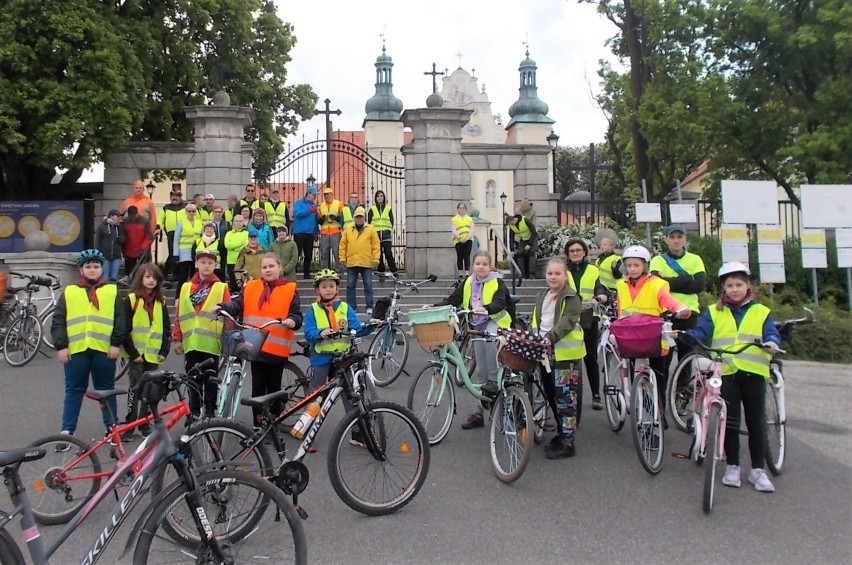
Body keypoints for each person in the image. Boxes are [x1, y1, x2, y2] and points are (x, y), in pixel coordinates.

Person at [686, 262, 781, 492]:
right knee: (730, 421)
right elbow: (701, 332)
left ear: (748, 286)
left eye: (739, 284)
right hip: (726, 371)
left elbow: (771, 333)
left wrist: (772, 343)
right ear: (724, 288)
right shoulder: (714, 311)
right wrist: (688, 335)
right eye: (730, 285)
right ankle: (733, 466)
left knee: (756, 421)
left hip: (754, 372)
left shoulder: (761, 311)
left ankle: (758, 470)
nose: (734, 289)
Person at [51, 249, 128, 438]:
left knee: (106, 389)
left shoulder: (112, 291)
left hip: (103, 350)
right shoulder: (70, 291)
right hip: (76, 350)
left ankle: (111, 428)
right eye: (88, 266)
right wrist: (61, 346)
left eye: (96, 266)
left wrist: (115, 343)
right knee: (74, 390)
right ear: (81, 270)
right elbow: (59, 320)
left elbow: (120, 319)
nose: (92, 270)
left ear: (102, 269)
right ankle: (67, 430)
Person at [219, 253, 301, 426]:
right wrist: (222, 307)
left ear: (279, 267)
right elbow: (237, 304)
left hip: (276, 350)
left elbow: (296, 315)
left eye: (271, 266)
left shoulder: (290, 289)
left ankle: (273, 422)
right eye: (264, 267)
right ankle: (258, 424)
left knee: (273, 389)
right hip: (255, 347)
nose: (268, 270)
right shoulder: (252, 286)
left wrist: (292, 321)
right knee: (258, 387)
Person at [435, 250, 511, 429]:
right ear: (473, 266)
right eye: (478, 264)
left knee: (493, 367)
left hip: (495, 323)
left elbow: (501, 303)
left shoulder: (497, 281)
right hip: (477, 325)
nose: (481, 267)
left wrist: (486, 308)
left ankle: (498, 400)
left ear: (490, 265)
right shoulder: (469, 282)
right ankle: (478, 413)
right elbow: (454, 299)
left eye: (485, 264)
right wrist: (434, 306)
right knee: (480, 371)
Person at [303, 269, 376, 446]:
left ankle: (357, 433)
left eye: (331, 286)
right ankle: (306, 433)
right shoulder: (312, 309)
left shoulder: (345, 308)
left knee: (351, 396)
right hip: (321, 359)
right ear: (317, 290)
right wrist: (320, 333)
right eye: (324, 287)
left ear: (337, 289)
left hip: (343, 359)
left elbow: (355, 328)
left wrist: (370, 326)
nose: (328, 290)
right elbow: (308, 332)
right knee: (316, 396)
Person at [616, 245, 691, 414]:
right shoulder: (621, 285)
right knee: (637, 375)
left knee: (658, 378)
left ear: (645, 266)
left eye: (636, 265)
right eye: (629, 265)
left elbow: (669, 300)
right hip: (633, 338)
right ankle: (644, 411)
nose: (632, 269)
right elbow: (620, 310)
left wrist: (681, 309)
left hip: (654, 337)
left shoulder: (657, 284)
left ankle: (660, 415)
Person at [530, 257, 584, 458]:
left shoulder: (571, 296)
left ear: (565, 276)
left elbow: (568, 322)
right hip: (544, 353)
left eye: (557, 273)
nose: (553, 277)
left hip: (563, 356)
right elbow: (536, 321)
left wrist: (548, 338)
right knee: (551, 394)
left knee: (565, 399)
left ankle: (568, 442)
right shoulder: (542, 295)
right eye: (550, 273)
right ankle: (562, 433)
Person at [172, 250, 230, 419]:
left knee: (211, 381)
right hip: (191, 343)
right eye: (203, 262)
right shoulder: (186, 287)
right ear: (197, 264)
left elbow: (227, 317)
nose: (206, 265)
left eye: (210, 263)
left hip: (211, 343)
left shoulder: (221, 287)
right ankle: (194, 413)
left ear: (215, 266)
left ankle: (210, 413)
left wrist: (227, 342)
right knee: (192, 380)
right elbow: (179, 314)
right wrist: (177, 338)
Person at [120, 263, 170, 441]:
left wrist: (165, 349)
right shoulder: (132, 300)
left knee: (150, 391)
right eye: (148, 277)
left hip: (153, 354)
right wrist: (134, 354)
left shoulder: (160, 301)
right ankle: (130, 424)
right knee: (135, 390)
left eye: (154, 278)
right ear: (140, 279)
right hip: (137, 355)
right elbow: (125, 329)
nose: (151, 281)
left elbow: (165, 327)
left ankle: (144, 422)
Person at [650, 224, 707, 377]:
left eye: (679, 237)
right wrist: (686, 279)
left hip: (690, 313)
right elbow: (657, 285)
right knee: (664, 358)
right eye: (672, 237)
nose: (676, 241)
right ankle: (662, 395)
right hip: (666, 314)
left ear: (685, 239)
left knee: (686, 358)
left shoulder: (695, 259)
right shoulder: (658, 260)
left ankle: (681, 395)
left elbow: (699, 285)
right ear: (666, 240)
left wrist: (669, 282)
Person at [564, 238, 610, 410]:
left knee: (591, 358)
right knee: (568, 357)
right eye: (572, 251)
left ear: (584, 252)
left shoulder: (592, 270)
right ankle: (569, 393)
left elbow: (598, 286)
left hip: (589, 316)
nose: (575, 253)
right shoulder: (564, 270)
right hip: (568, 316)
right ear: (568, 254)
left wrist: (601, 295)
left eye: (578, 250)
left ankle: (596, 395)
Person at [339, 206, 379, 315]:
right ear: (354, 218)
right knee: (350, 285)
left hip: (366, 262)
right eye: (357, 217)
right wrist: (342, 258)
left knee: (368, 285)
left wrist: (376, 259)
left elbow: (376, 245)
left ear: (364, 217)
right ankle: (352, 307)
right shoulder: (348, 229)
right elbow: (343, 245)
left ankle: (370, 306)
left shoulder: (371, 229)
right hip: (352, 262)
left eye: (361, 216)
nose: (359, 219)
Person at [158, 190, 186, 281]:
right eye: (173, 196)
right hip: (171, 233)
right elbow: (160, 219)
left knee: (181, 254)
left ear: (180, 197)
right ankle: (173, 273)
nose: (175, 198)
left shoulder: (185, 207)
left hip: (183, 233)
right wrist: (157, 227)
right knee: (172, 253)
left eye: (177, 196)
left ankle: (172, 272)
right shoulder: (166, 208)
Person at [292, 186, 319, 279]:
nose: (315, 197)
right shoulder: (299, 202)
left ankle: (306, 273)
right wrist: (308, 211)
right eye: (314, 194)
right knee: (297, 253)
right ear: (308, 193)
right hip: (299, 232)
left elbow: (315, 220)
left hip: (310, 233)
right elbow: (297, 214)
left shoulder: (314, 205)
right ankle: (293, 272)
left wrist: (316, 231)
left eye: (315, 195)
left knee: (308, 254)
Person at [368, 189, 397, 273]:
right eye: (378, 196)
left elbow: (391, 220)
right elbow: (369, 222)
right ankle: (381, 271)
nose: (380, 198)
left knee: (388, 253)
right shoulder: (372, 209)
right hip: (376, 234)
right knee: (379, 254)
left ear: (384, 198)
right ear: (376, 198)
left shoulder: (388, 208)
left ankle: (394, 270)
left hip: (386, 234)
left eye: (381, 196)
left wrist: (388, 229)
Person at [173, 204, 201, 290]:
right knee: (183, 275)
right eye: (189, 211)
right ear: (186, 212)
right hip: (184, 252)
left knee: (194, 274)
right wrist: (176, 254)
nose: (191, 213)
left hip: (196, 251)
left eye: (193, 211)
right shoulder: (181, 222)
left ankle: (192, 292)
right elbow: (176, 239)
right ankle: (179, 294)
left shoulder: (199, 222)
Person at [120, 205, 153, 278]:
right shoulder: (125, 222)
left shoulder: (145, 221)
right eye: (131, 216)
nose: (132, 218)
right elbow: (122, 236)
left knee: (143, 271)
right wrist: (123, 249)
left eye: (134, 216)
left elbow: (149, 236)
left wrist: (143, 248)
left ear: (137, 213)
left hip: (142, 251)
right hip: (129, 250)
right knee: (130, 271)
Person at [317, 187, 344, 270]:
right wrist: (322, 219)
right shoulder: (321, 205)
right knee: (324, 252)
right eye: (325, 195)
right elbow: (319, 219)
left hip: (335, 231)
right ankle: (324, 270)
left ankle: (339, 270)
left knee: (337, 252)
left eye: (328, 194)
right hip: (325, 232)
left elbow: (343, 217)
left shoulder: (339, 204)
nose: (326, 196)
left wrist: (336, 218)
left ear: (332, 194)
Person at [506, 213, 539, 279]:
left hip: (532, 238)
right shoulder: (512, 226)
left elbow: (534, 232)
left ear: (514, 219)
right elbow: (511, 238)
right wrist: (512, 249)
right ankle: (522, 274)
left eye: (511, 223)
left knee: (531, 254)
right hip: (523, 239)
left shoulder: (525, 220)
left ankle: (531, 274)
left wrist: (529, 244)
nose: (511, 225)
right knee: (519, 254)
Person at [95, 209, 123, 282]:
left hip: (116, 255)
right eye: (117, 216)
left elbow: (123, 241)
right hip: (105, 255)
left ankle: (112, 291)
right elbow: (97, 240)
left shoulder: (119, 227)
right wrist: (98, 253)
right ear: (111, 216)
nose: (119, 218)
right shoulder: (102, 226)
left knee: (114, 277)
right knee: (105, 277)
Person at [224, 215, 249, 292]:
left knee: (242, 282)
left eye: (240, 221)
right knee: (232, 282)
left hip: (242, 261)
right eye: (236, 221)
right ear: (233, 222)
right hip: (231, 261)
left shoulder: (247, 233)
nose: (238, 223)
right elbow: (227, 245)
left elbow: (246, 246)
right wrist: (240, 243)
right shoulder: (229, 233)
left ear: (243, 222)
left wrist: (234, 248)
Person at [451, 202, 474, 278]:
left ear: (466, 209)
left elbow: (472, 229)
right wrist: (459, 237)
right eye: (460, 208)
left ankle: (467, 273)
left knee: (467, 256)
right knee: (460, 256)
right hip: (458, 240)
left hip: (468, 240)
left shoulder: (470, 219)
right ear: (458, 209)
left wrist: (468, 237)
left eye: (463, 208)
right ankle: (460, 273)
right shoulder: (454, 219)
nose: (462, 209)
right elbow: (453, 230)